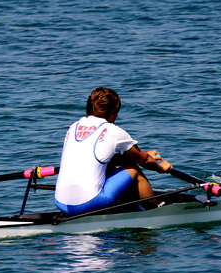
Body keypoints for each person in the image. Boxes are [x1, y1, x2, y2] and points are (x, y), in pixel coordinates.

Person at [55, 87, 173, 216]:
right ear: (114, 112)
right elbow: (145, 161)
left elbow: (99, 156)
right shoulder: (113, 131)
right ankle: (156, 213)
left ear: (88, 109)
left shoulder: (73, 128)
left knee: (109, 166)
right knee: (133, 170)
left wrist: (145, 154)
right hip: (89, 203)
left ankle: (130, 205)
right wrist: (160, 167)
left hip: (61, 203)